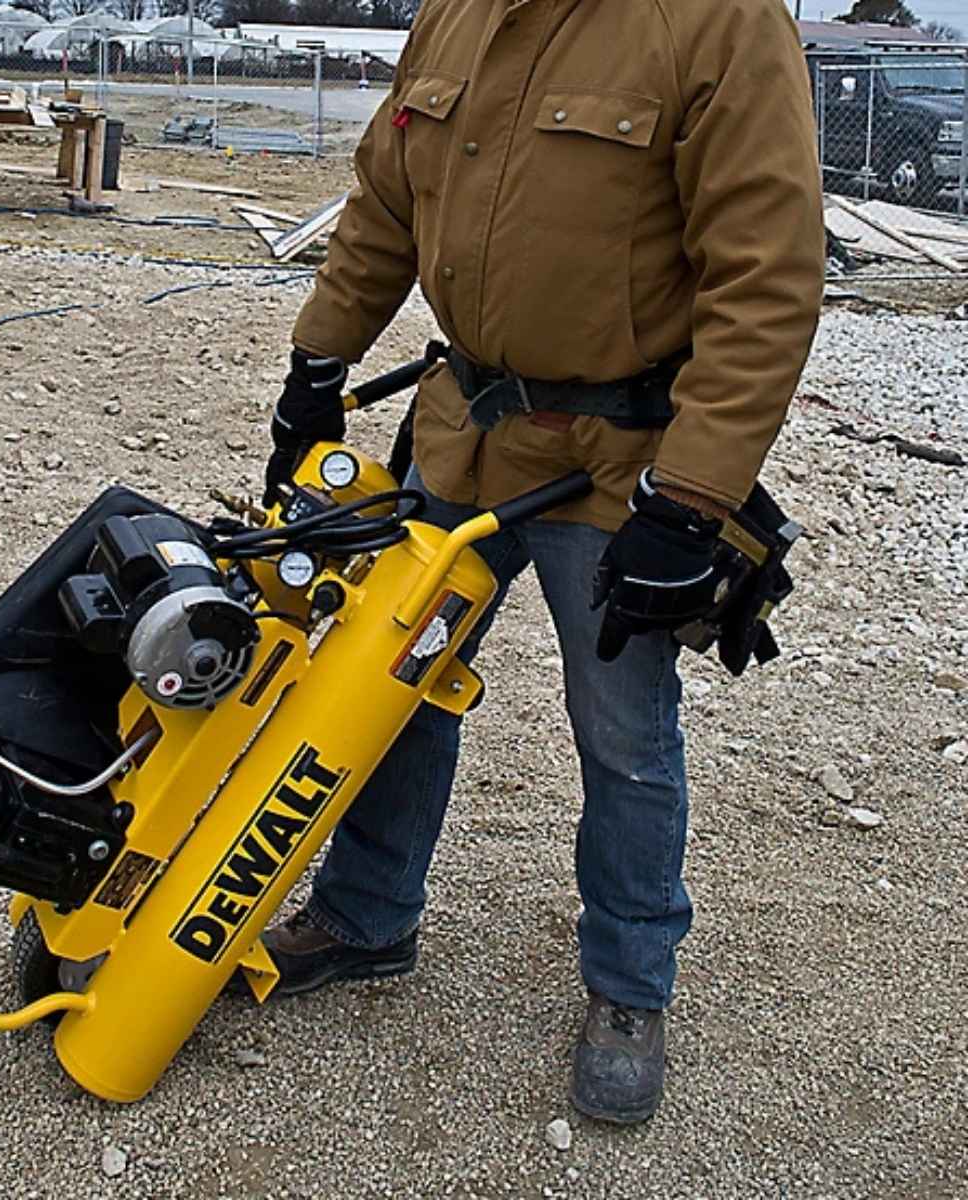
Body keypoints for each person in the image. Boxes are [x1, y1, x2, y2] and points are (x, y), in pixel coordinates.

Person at [257, 0, 825, 1124]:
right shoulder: (458, 14)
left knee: (622, 734)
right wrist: (318, 361)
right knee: (389, 692)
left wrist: (693, 497)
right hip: (458, 436)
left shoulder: (718, 22)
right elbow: (382, 199)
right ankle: (369, 917)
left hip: (611, 466)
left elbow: (764, 279)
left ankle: (628, 986)